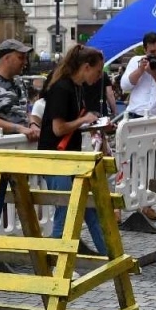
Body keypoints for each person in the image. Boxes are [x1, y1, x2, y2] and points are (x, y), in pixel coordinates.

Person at [39, 46, 108, 253]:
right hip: (56, 157)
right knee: (66, 207)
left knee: (89, 209)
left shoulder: (76, 87)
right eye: (97, 72)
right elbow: (58, 128)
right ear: (86, 67)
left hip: (69, 156)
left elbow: (70, 124)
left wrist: (92, 125)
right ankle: (57, 258)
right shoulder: (62, 88)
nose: (98, 77)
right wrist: (84, 120)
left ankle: (110, 254)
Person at [0, 39, 38, 139]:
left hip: (22, 142)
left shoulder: (19, 81)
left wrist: (33, 124)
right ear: (7, 58)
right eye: (21, 58)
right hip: (1, 145)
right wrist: (18, 128)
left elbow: (25, 110)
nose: (25, 62)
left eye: (26, 58)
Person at [120, 31, 156, 119]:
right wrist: (140, 70)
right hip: (134, 114)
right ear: (145, 50)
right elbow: (124, 86)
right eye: (152, 52)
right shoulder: (135, 60)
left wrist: (155, 74)